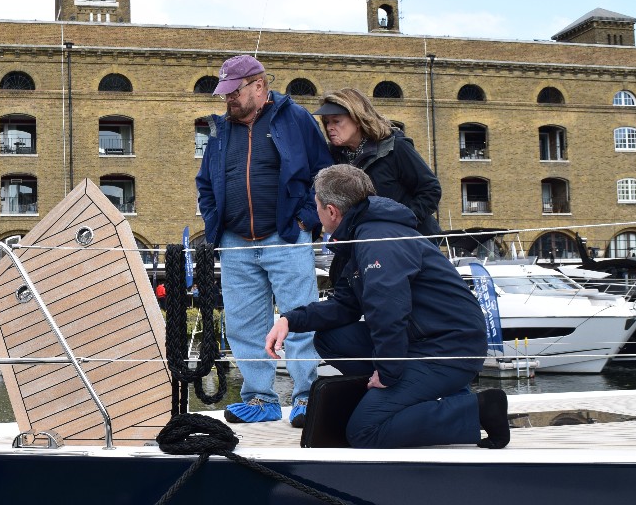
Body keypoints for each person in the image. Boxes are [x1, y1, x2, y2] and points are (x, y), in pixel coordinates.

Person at [265, 165, 510, 449]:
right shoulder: (359, 235)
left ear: (331, 211)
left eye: (316, 205)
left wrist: (388, 371)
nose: (315, 211)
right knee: (330, 339)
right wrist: (290, 320)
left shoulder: (377, 240)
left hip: (450, 348)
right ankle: (410, 397)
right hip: (422, 339)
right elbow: (345, 306)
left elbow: (388, 309)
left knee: (364, 432)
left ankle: (477, 409)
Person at [196, 54, 333, 427]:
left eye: (234, 92)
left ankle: (307, 396)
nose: (228, 100)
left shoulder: (296, 118)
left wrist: (306, 220)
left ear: (259, 85)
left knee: (300, 317)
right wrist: (214, 225)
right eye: (224, 93)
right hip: (235, 240)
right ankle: (259, 398)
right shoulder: (219, 129)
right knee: (243, 324)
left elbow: (324, 172)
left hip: (286, 237)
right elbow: (205, 181)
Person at [313, 88, 442, 237]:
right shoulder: (334, 155)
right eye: (327, 121)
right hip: (367, 239)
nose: (329, 127)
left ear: (358, 120)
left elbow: (431, 190)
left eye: (336, 121)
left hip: (412, 238)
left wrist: (402, 221)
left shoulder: (396, 147)